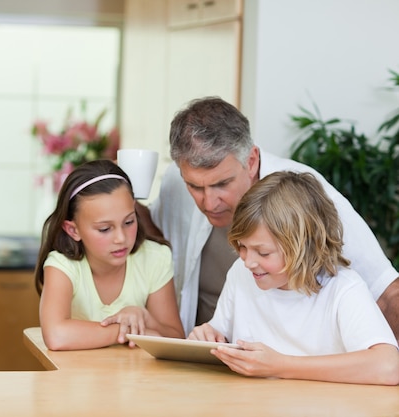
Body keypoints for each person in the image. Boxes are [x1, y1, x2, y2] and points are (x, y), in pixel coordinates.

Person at [139, 96, 399, 337]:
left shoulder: (304, 196)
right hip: (211, 357)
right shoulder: (175, 182)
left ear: (251, 161)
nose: (208, 202)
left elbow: (387, 292)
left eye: (222, 184)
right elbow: (153, 238)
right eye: (195, 187)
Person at [188, 171, 399, 385]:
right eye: (242, 247)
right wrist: (208, 337)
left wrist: (281, 365)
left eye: (263, 253)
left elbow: (389, 366)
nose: (248, 261)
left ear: (304, 247)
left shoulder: (343, 289)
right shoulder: (241, 274)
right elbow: (219, 335)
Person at [35, 159, 185, 351]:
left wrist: (146, 318)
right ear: (73, 230)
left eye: (129, 222)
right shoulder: (62, 266)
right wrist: (125, 332)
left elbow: (176, 338)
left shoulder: (155, 258)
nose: (121, 238)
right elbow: (56, 336)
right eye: (105, 229)